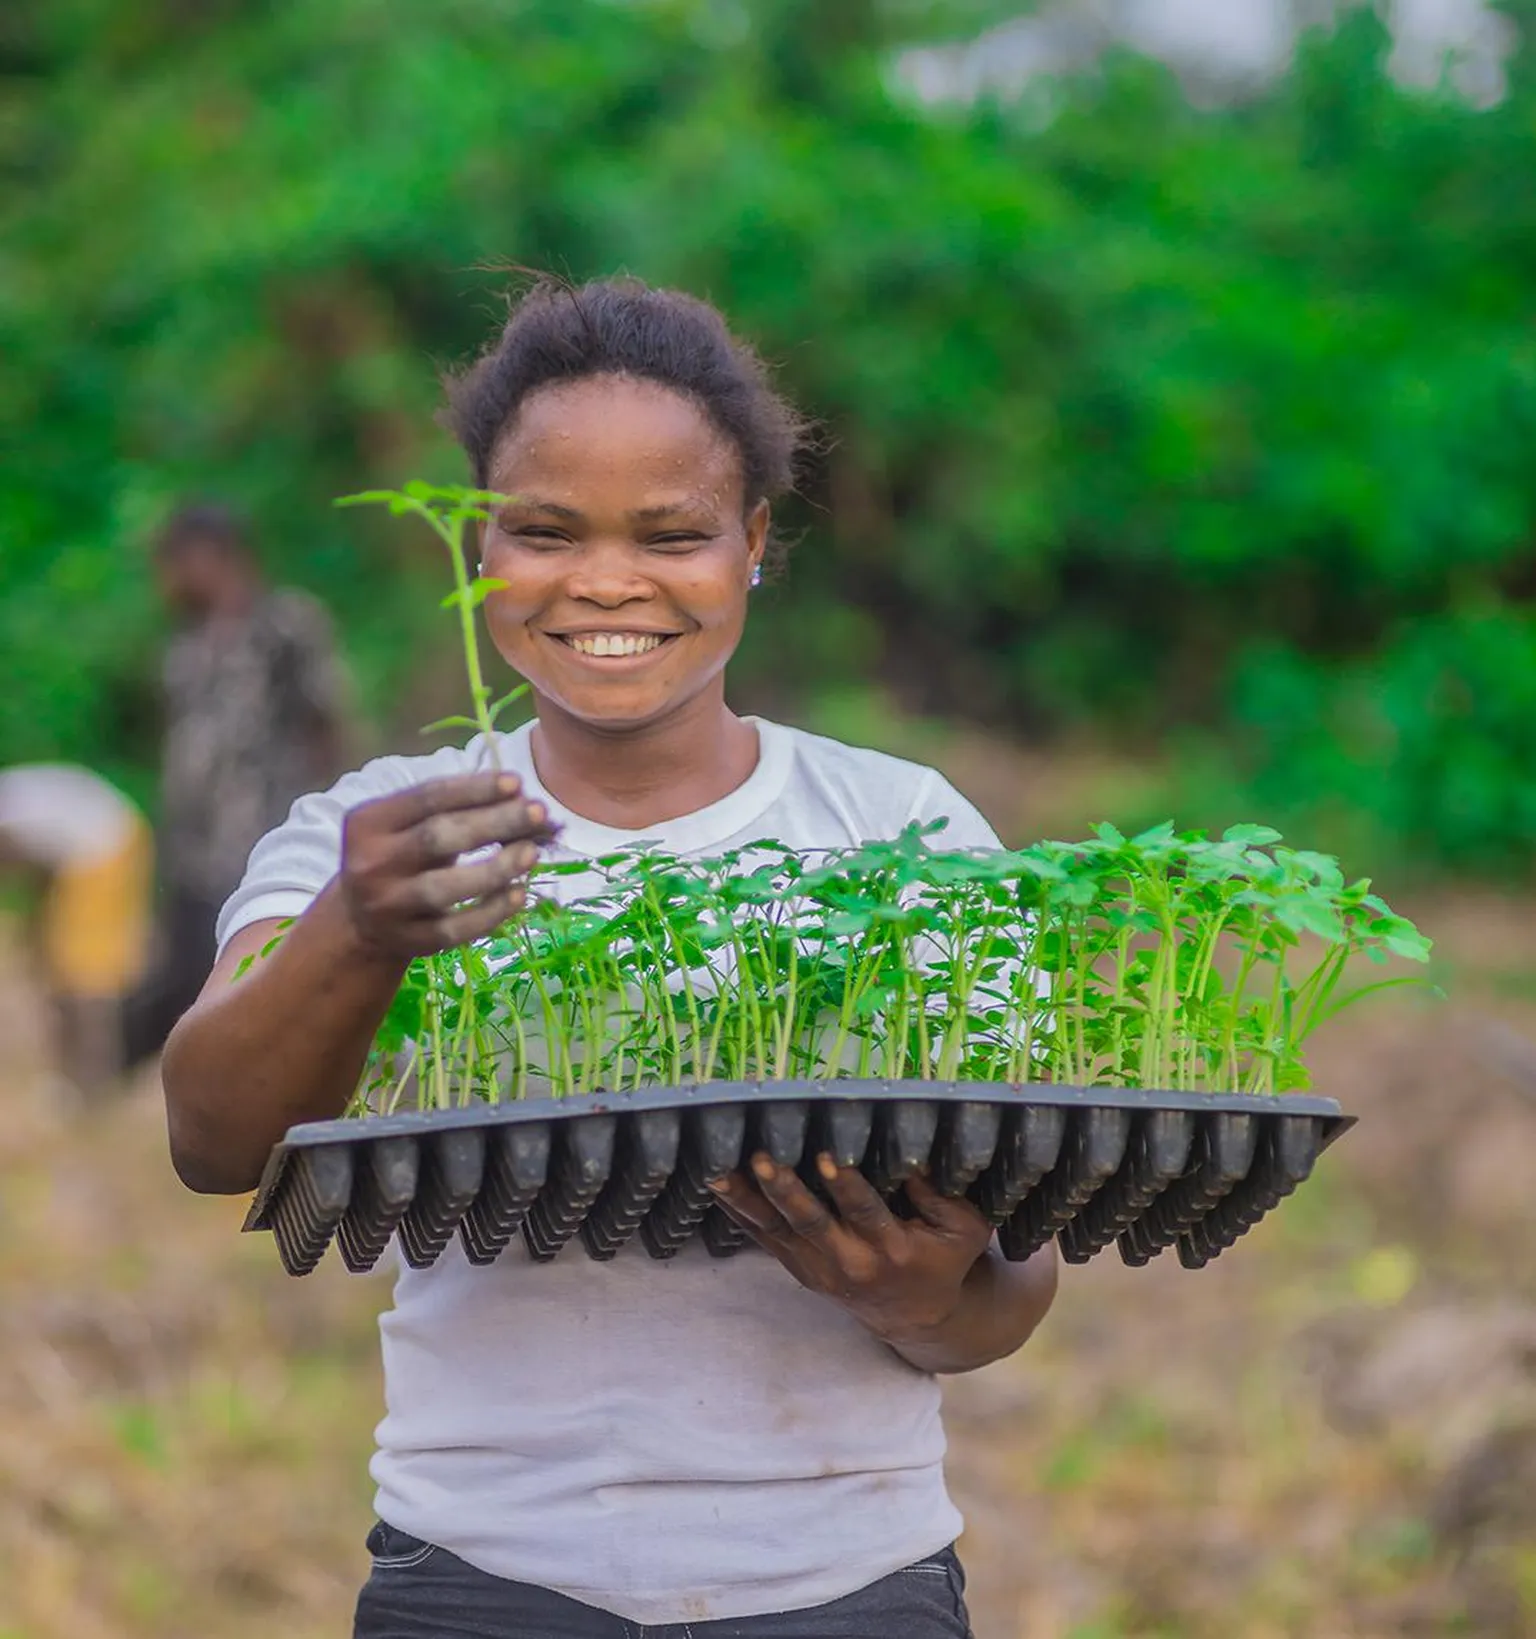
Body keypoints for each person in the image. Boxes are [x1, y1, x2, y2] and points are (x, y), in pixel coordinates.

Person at [162, 277, 1059, 1639]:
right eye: (545, 529)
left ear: (755, 542)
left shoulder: (905, 827)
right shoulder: (387, 827)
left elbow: (1011, 1281)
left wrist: (930, 1296)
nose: (605, 580)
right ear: (481, 547)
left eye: (674, 532)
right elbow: (211, 1132)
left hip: (846, 1577)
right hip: (478, 1571)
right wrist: (357, 927)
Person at [123, 504, 351, 1062]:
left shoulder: (286, 624)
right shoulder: (186, 642)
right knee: (178, 967)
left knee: (249, 958)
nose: (169, 579)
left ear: (214, 557)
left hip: (265, 828)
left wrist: (327, 819)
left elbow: (327, 719)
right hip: (194, 842)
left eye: (176, 562)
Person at [0, 763, 153, 1098]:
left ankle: (93, 1082)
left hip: (104, 847)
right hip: (83, 853)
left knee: (85, 974)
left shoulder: (8, 819)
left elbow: (22, 866)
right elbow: (37, 867)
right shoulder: (13, 810)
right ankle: (73, 1078)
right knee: (59, 969)